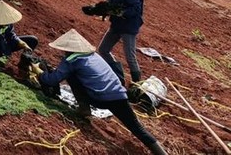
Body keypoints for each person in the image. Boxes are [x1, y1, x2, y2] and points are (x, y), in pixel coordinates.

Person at [32, 29, 167, 155]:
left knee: (71, 76)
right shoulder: (93, 56)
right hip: (120, 95)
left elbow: (52, 80)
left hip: (101, 99)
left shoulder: (71, 61)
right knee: (137, 128)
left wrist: (38, 72)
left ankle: (84, 108)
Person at [96, 0, 145, 86]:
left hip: (128, 26)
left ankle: (136, 84)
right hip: (117, 24)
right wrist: (102, 9)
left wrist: (119, 12)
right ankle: (117, 74)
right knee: (103, 49)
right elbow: (111, 3)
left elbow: (136, 9)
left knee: (130, 56)